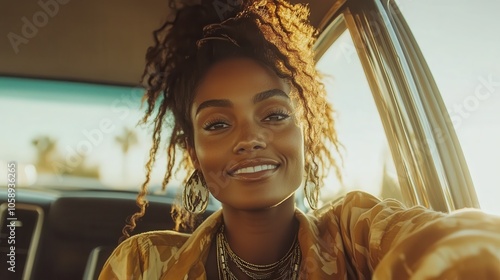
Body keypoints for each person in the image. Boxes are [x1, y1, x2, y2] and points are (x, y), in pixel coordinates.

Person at [99, 0, 500, 279]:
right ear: (194, 154)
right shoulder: (142, 264)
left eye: (274, 114)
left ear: (304, 134)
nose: (251, 138)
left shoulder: (355, 235)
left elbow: (463, 243)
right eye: (218, 124)